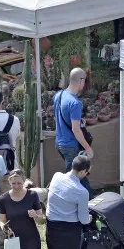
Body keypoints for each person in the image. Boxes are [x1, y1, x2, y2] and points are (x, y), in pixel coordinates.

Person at [54, 67, 94, 196]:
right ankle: (90, 203)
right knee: (76, 176)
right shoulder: (75, 103)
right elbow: (76, 129)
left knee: (74, 175)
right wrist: (88, 149)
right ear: (81, 81)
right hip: (70, 145)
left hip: (60, 143)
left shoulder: (58, 95)